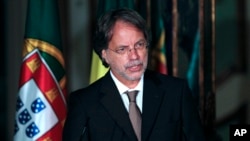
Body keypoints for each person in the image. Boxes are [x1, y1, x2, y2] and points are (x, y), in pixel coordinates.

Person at [63, 8, 205, 141]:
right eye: (123, 49)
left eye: (139, 45)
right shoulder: (85, 103)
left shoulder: (176, 92)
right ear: (104, 54)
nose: (134, 56)